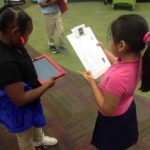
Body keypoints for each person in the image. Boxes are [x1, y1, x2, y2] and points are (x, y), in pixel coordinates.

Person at [82, 14, 150, 150]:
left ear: (122, 45)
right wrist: (103, 50)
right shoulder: (137, 59)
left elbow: (106, 110)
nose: (109, 40)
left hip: (113, 121)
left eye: (110, 39)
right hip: (126, 109)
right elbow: (116, 61)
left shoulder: (117, 79)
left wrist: (92, 83)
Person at [0, 4, 58, 150]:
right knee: (25, 135)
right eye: (27, 34)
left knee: (34, 120)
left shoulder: (10, 40)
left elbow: (18, 60)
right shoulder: (5, 61)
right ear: (15, 32)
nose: (27, 38)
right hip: (18, 108)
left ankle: (38, 140)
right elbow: (20, 100)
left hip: (28, 93)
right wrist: (47, 85)